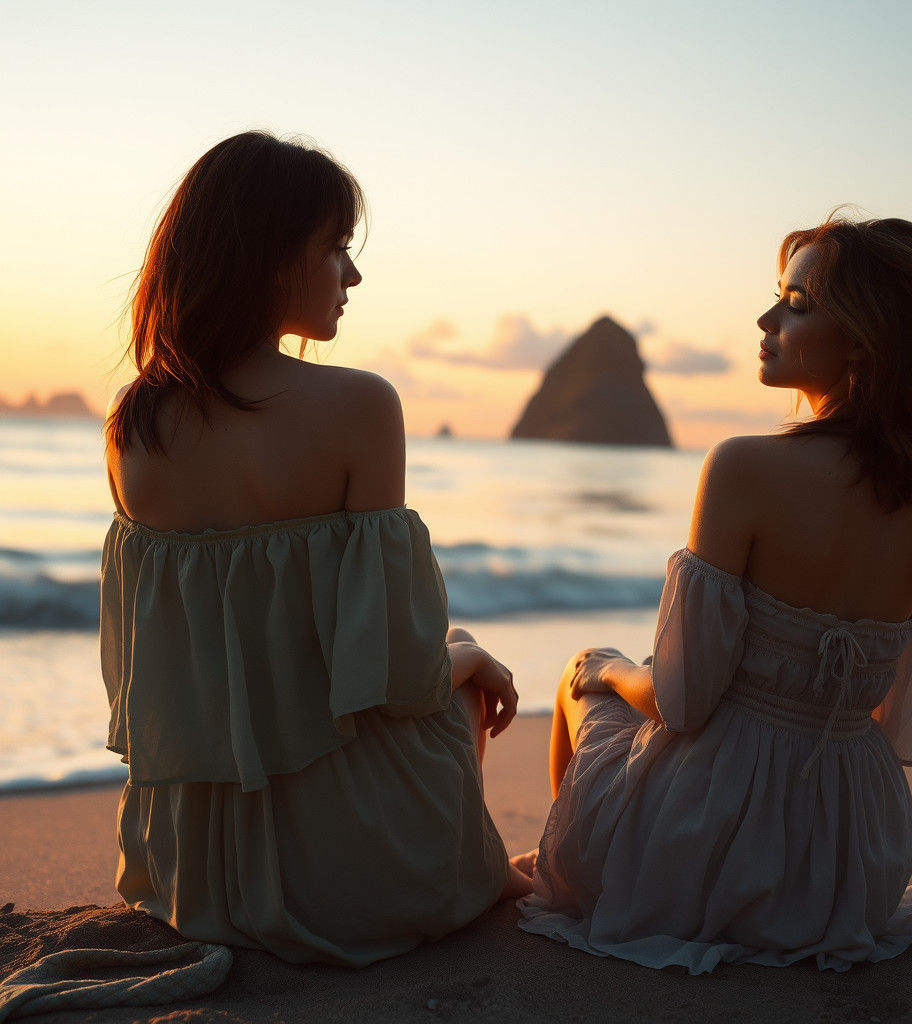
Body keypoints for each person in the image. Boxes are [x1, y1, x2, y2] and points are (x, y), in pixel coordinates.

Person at [517, 214, 912, 972]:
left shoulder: (743, 466)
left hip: (708, 849)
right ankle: (583, 865)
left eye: (797, 304)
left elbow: (684, 703)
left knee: (587, 668)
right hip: (852, 862)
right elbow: (885, 714)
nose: (766, 320)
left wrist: (608, 669)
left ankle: (577, 878)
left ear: (863, 342)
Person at [102, 131, 530, 968]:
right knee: (460, 689)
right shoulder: (360, 405)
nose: (354, 275)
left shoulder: (133, 423)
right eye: (337, 249)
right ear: (269, 259)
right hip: (354, 884)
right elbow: (402, 678)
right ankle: (453, 878)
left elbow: (145, 683)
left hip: (191, 880)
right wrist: (471, 657)